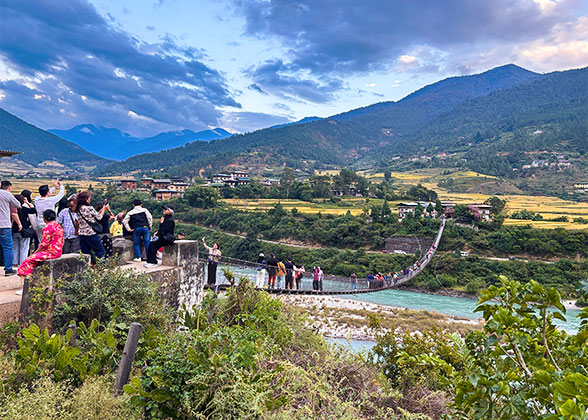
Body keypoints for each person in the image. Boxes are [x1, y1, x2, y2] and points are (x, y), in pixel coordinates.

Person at [17, 209, 64, 295]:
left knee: (26, 261)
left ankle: (25, 288)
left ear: (44, 219)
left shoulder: (47, 227)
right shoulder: (58, 226)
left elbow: (43, 245)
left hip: (50, 252)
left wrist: (35, 253)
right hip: (57, 251)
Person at [75, 191, 106, 263]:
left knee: (86, 253)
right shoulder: (89, 208)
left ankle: (86, 269)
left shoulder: (78, 209)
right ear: (86, 199)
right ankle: (101, 268)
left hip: (82, 234)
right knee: (100, 251)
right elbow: (99, 218)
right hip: (90, 233)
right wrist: (104, 210)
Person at [0, 181, 21, 276]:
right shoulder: (6, 194)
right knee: (7, 247)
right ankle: (8, 269)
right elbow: (17, 204)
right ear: (9, 187)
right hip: (4, 224)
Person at [12, 194, 36, 266]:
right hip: (24, 231)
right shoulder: (24, 209)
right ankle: (22, 263)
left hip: (14, 231)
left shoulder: (12, 209)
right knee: (24, 248)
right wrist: (27, 202)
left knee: (15, 248)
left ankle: (15, 263)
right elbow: (33, 210)